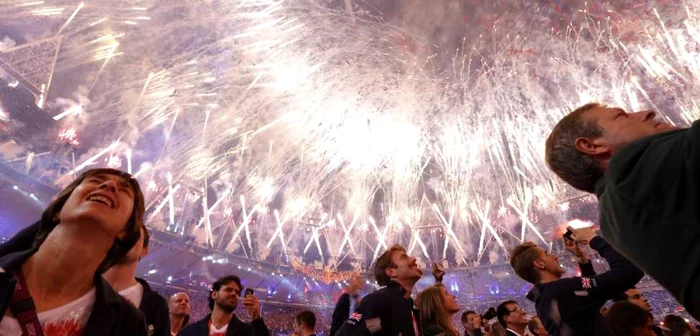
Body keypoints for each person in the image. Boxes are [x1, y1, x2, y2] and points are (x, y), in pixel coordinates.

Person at [544, 103, 700, 318]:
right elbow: (623, 274)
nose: (647, 112)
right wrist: (593, 243)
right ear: (592, 145)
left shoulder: (614, 215)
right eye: (621, 116)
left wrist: (587, 256)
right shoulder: (634, 172)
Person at [0, 168, 147, 335]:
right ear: (58, 210)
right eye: (95, 181)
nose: (110, 185)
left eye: (124, 190)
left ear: (126, 230)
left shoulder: (127, 324)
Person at [510, 226, 644, 335]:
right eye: (547, 254)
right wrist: (594, 239)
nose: (555, 257)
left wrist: (582, 260)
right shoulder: (563, 289)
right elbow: (630, 271)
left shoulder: (544, 299)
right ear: (539, 264)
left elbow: (591, 295)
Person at [335, 244, 423, 336]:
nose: (413, 259)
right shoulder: (377, 300)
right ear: (391, 272)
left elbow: (375, 328)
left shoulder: (407, 303)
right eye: (404, 257)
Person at [104, 224, 170, 336]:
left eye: (134, 236)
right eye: (121, 232)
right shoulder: (81, 287)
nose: (126, 239)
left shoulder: (157, 305)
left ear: (144, 251)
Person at [179, 275, 270, 336]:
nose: (234, 294)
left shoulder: (247, 332)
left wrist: (256, 317)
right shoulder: (190, 332)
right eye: (228, 290)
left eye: (237, 292)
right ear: (214, 294)